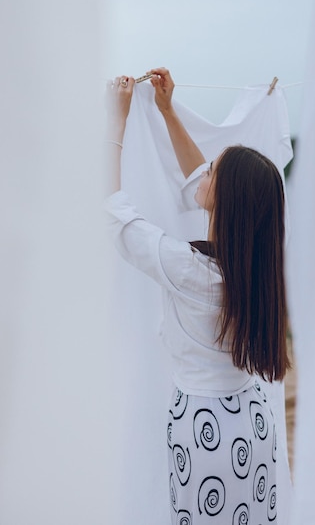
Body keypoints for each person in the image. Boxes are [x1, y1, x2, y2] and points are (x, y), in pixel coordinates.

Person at [105, 68, 291, 525]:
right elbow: (196, 181)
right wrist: (167, 112)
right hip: (252, 421)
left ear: (224, 200)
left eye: (213, 169)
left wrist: (117, 122)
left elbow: (115, 216)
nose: (202, 169)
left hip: (205, 432)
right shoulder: (254, 268)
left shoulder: (191, 272)